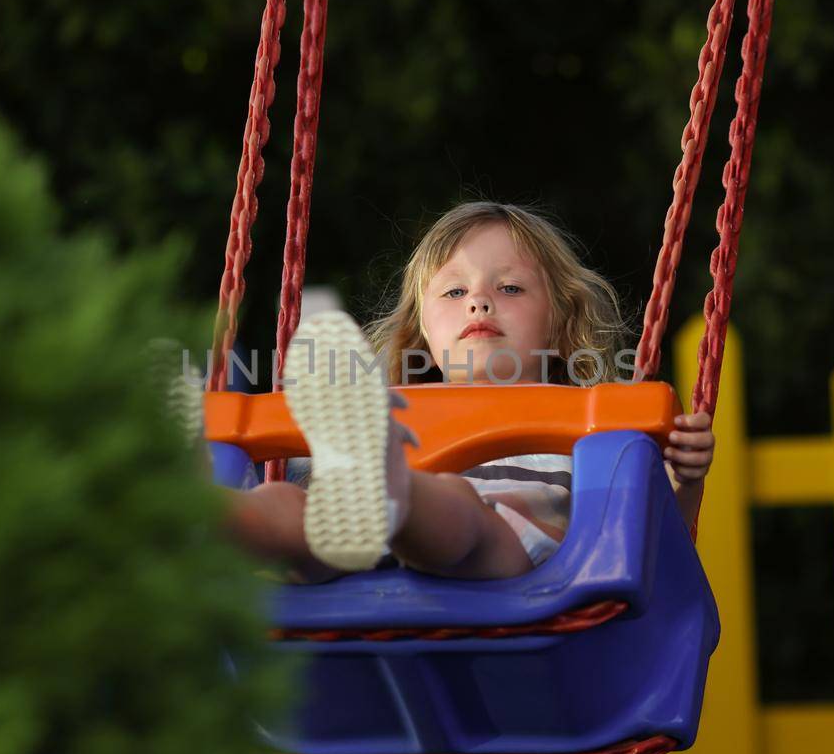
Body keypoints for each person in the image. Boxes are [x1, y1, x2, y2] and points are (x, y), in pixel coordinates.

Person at [222, 201, 715, 583]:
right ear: (421, 339)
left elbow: (653, 552)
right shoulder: (396, 415)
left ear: (562, 327)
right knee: (290, 504)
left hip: (525, 566)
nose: (479, 301)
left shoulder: (590, 421)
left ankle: (393, 493)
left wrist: (684, 480)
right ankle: (199, 515)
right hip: (372, 564)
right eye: (455, 293)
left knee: (458, 506)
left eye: (510, 289)